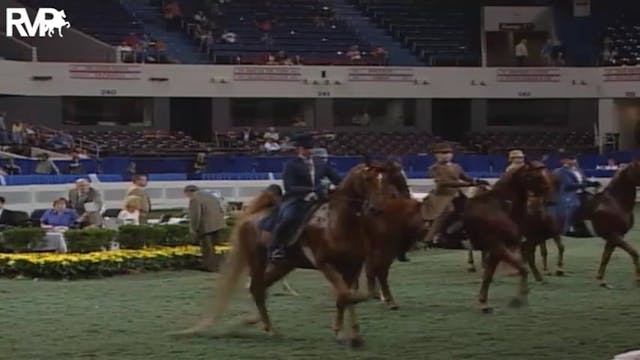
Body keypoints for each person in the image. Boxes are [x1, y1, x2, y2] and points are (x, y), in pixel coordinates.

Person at [263, 134, 341, 261]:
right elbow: (290, 187)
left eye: (310, 148)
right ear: (299, 149)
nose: (308, 151)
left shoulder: (320, 163)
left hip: (319, 198)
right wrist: (311, 190)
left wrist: (337, 187)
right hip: (297, 199)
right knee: (289, 218)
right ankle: (275, 248)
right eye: (306, 148)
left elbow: (337, 179)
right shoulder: (291, 165)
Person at [421, 142, 485, 246]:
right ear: (437, 155)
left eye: (449, 153)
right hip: (442, 195)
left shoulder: (457, 166)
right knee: (448, 210)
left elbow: (465, 177)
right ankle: (430, 237)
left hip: (458, 194)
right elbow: (442, 183)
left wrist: (476, 181)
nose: (447, 155)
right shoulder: (434, 168)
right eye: (443, 153)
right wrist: (465, 184)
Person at [552, 153, 600, 236]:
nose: (574, 160)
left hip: (582, 193)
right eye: (571, 158)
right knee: (574, 205)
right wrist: (586, 185)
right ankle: (566, 228)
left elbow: (583, 182)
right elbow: (568, 185)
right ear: (564, 161)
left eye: (574, 158)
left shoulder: (578, 170)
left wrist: (592, 183)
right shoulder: (561, 172)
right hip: (569, 194)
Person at [184, 185, 226, 272]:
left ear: (189, 192)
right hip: (217, 224)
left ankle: (210, 267)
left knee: (207, 248)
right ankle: (216, 265)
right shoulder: (210, 196)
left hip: (206, 226)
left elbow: (196, 216)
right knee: (212, 247)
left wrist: (194, 229)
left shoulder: (195, 199)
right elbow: (222, 209)